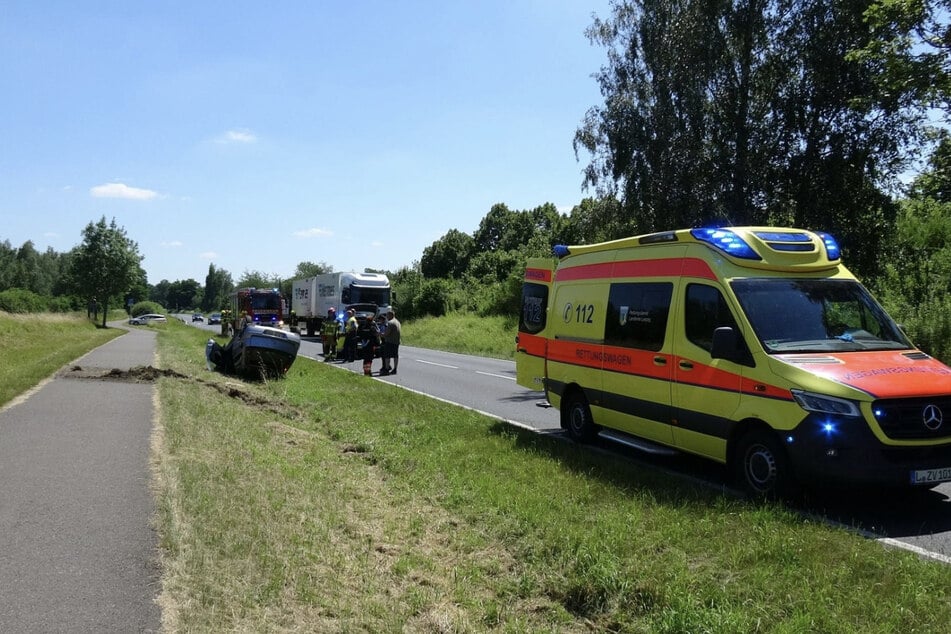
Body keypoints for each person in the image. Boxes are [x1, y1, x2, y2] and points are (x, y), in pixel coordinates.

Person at [380, 309, 401, 375]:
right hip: (396, 341)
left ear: (390, 315)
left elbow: (386, 333)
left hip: (389, 341)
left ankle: (386, 369)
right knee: (395, 356)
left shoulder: (390, 322)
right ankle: (395, 369)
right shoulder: (398, 322)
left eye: (387, 315)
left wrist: (379, 334)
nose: (386, 317)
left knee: (387, 356)